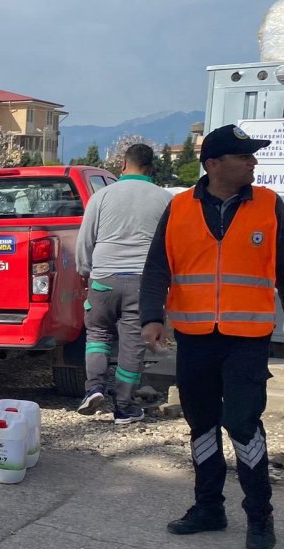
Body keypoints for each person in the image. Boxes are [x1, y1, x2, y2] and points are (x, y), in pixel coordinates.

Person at [140, 124, 284, 549]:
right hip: (196, 337)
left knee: (242, 424)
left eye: (253, 156)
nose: (254, 161)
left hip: (247, 339)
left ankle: (259, 516)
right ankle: (208, 508)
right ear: (214, 164)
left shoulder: (268, 205)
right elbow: (157, 266)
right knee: (201, 425)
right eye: (244, 156)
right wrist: (151, 317)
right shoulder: (179, 207)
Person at [75, 144, 172, 424]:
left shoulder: (102, 196)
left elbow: (85, 240)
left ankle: (93, 388)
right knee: (132, 344)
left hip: (103, 277)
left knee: (97, 335)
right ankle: (124, 406)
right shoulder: (165, 199)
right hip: (144, 283)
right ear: (151, 168)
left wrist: (87, 271)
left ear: (123, 165)